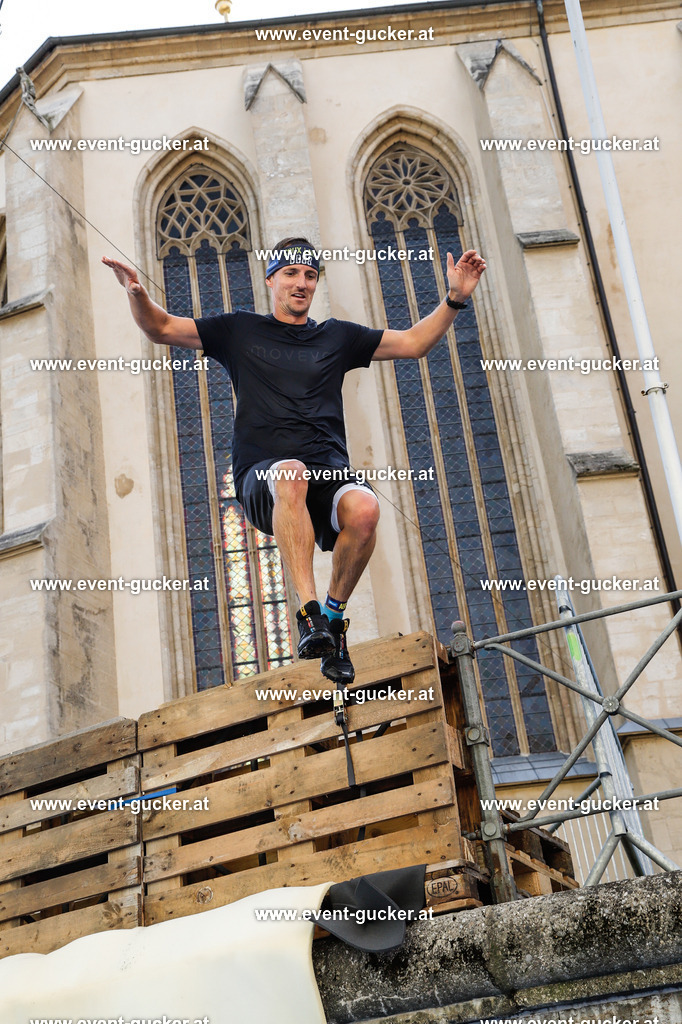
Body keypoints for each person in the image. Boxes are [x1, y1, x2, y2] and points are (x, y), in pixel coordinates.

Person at [103, 239, 486, 685]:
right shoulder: (239, 330)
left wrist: (455, 297)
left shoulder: (338, 336)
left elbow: (414, 343)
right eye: (290, 273)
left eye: (309, 275)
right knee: (291, 472)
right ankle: (309, 616)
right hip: (263, 477)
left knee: (365, 511)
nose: (300, 283)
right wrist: (137, 295)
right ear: (271, 280)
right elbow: (163, 329)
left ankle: (332, 621)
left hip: (326, 470)